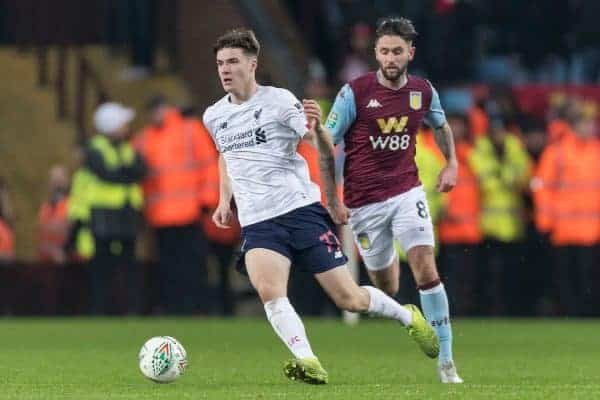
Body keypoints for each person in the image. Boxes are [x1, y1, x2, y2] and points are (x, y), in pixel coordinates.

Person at [203, 28, 438, 385]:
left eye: (233, 61)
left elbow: (318, 141)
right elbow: (226, 155)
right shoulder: (214, 115)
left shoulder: (279, 101)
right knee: (271, 293)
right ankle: (308, 360)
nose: (225, 69)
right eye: (220, 63)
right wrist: (225, 200)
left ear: (252, 64)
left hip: (300, 211)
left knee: (350, 299)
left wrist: (320, 131)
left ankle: (408, 317)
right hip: (258, 222)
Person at [319, 17, 462, 383]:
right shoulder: (355, 93)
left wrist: (451, 163)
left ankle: (446, 362)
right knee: (387, 287)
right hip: (365, 203)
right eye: (384, 51)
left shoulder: (422, 91)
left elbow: (441, 126)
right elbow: (326, 143)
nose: (390, 57)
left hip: (405, 191)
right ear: (376, 53)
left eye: (397, 51)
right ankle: (408, 313)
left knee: (426, 268)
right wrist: (332, 198)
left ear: (410, 53)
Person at [134, 98, 217, 314]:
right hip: (161, 215)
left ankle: (195, 306)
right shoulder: (144, 138)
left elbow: (208, 166)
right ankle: (178, 307)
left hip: (189, 211)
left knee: (192, 263)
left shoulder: (189, 129)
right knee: (171, 266)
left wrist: (207, 200)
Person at [69, 102, 146, 314]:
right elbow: (108, 174)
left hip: (126, 214)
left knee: (128, 264)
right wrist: (126, 174)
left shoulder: (128, 148)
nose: (127, 127)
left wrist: (122, 173)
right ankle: (99, 309)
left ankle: (130, 309)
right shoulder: (94, 149)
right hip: (103, 216)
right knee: (102, 266)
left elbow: (141, 169)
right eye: (123, 123)